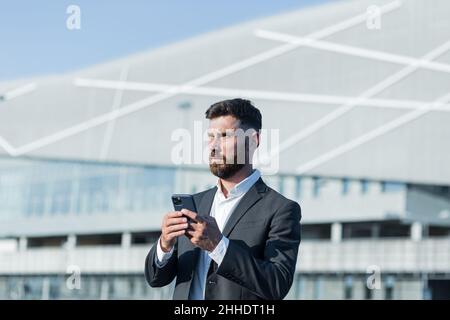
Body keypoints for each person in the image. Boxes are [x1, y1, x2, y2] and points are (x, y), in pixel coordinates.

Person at [145, 98, 301, 300]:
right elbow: (155, 279)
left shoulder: (281, 209)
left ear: (254, 140)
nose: (213, 147)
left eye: (225, 136)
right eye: (211, 137)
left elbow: (276, 284)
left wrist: (218, 246)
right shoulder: (197, 203)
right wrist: (165, 245)